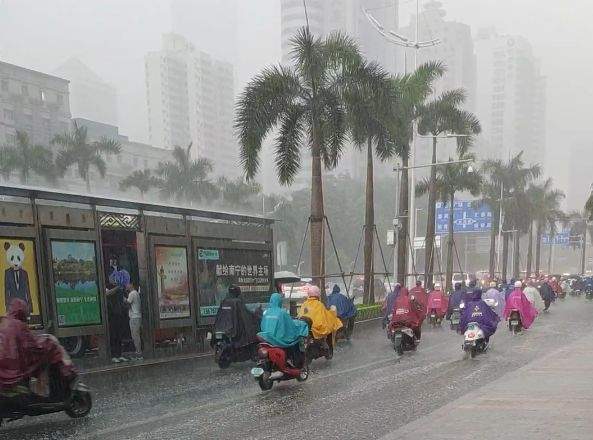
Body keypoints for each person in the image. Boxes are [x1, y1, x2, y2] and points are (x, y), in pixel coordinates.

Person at [0, 299, 75, 397]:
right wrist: (48, 343)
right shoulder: (19, 325)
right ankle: (45, 392)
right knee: (43, 362)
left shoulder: (4, 322)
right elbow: (32, 345)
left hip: (5, 371)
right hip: (15, 371)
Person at [258, 292, 309, 366]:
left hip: (267, 338)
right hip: (280, 339)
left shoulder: (266, 312)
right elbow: (290, 326)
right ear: (280, 301)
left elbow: (262, 325)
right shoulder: (282, 313)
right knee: (295, 339)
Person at [211, 285, 259, 350]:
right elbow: (246, 314)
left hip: (222, 329)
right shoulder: (238, 302)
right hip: (234, 332)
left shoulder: (224, 301)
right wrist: (255, 315)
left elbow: (219, 316)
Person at [106, 256, 131, 363]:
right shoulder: (108, 285)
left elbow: (124, 299)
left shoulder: (121, 287)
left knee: (119, 334)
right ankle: (113, 355)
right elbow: (106, 293)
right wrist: (117, 288)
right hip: (112, 312)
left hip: (120, 311)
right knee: (113, 334)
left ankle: (119, 354)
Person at [125, 282, 142, 360]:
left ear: (131, 285)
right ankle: (138, 352)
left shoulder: (132, 293)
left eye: (127, 284)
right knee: (136, 335)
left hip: (134, 317)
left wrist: (123, 299)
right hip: (137, 316)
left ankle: (138, 353)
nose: (126, 286)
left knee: (135, 335)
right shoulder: (136, 293)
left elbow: (127, 304)